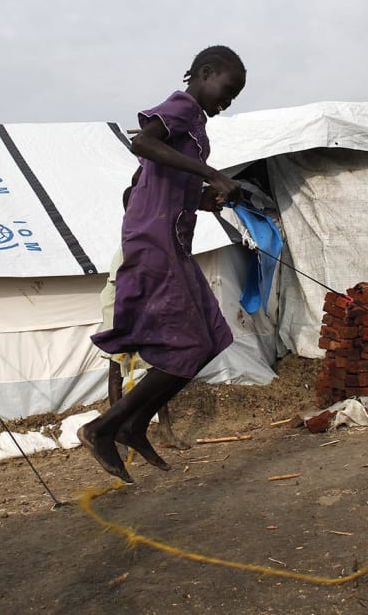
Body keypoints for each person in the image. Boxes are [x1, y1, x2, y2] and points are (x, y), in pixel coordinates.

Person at [80, 45, 247, 483]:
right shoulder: (181, 106)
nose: (225, 104)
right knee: (192, 343)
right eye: (225, 92)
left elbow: (177, 185)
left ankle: (133, 424)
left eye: (233, 100)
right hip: (153, 241)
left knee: (213, 338)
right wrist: (210, 173)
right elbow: (143, 142)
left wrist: (211, 197)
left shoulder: (198, 132)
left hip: (174, 241)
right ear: (204, 73)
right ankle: (103, 428)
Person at [98, 172, 186, 452]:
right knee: (117, 368)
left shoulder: (151, 231)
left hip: (144, 303)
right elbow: (123, 280)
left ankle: (165, 432)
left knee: (161, 367)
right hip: (121, 304)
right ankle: (112, 433)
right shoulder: (133, 235)